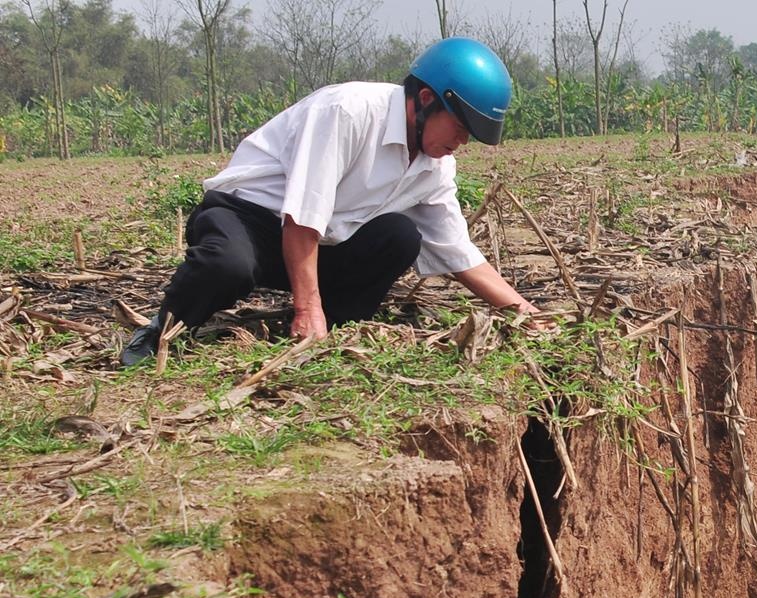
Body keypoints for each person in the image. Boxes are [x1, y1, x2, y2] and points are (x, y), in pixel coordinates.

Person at [122, 37, 539, 367]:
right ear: (427, 100)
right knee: (226, 265)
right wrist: (306, 304)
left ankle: (328, 329)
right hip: (250, 219)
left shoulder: (433, 165)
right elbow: (303, 215)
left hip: (322, 246)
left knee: (399, 236)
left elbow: (458, 253)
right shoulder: (349, 112)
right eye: (462, 127)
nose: (462, 142)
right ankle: (164, 328)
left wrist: (524, 313)